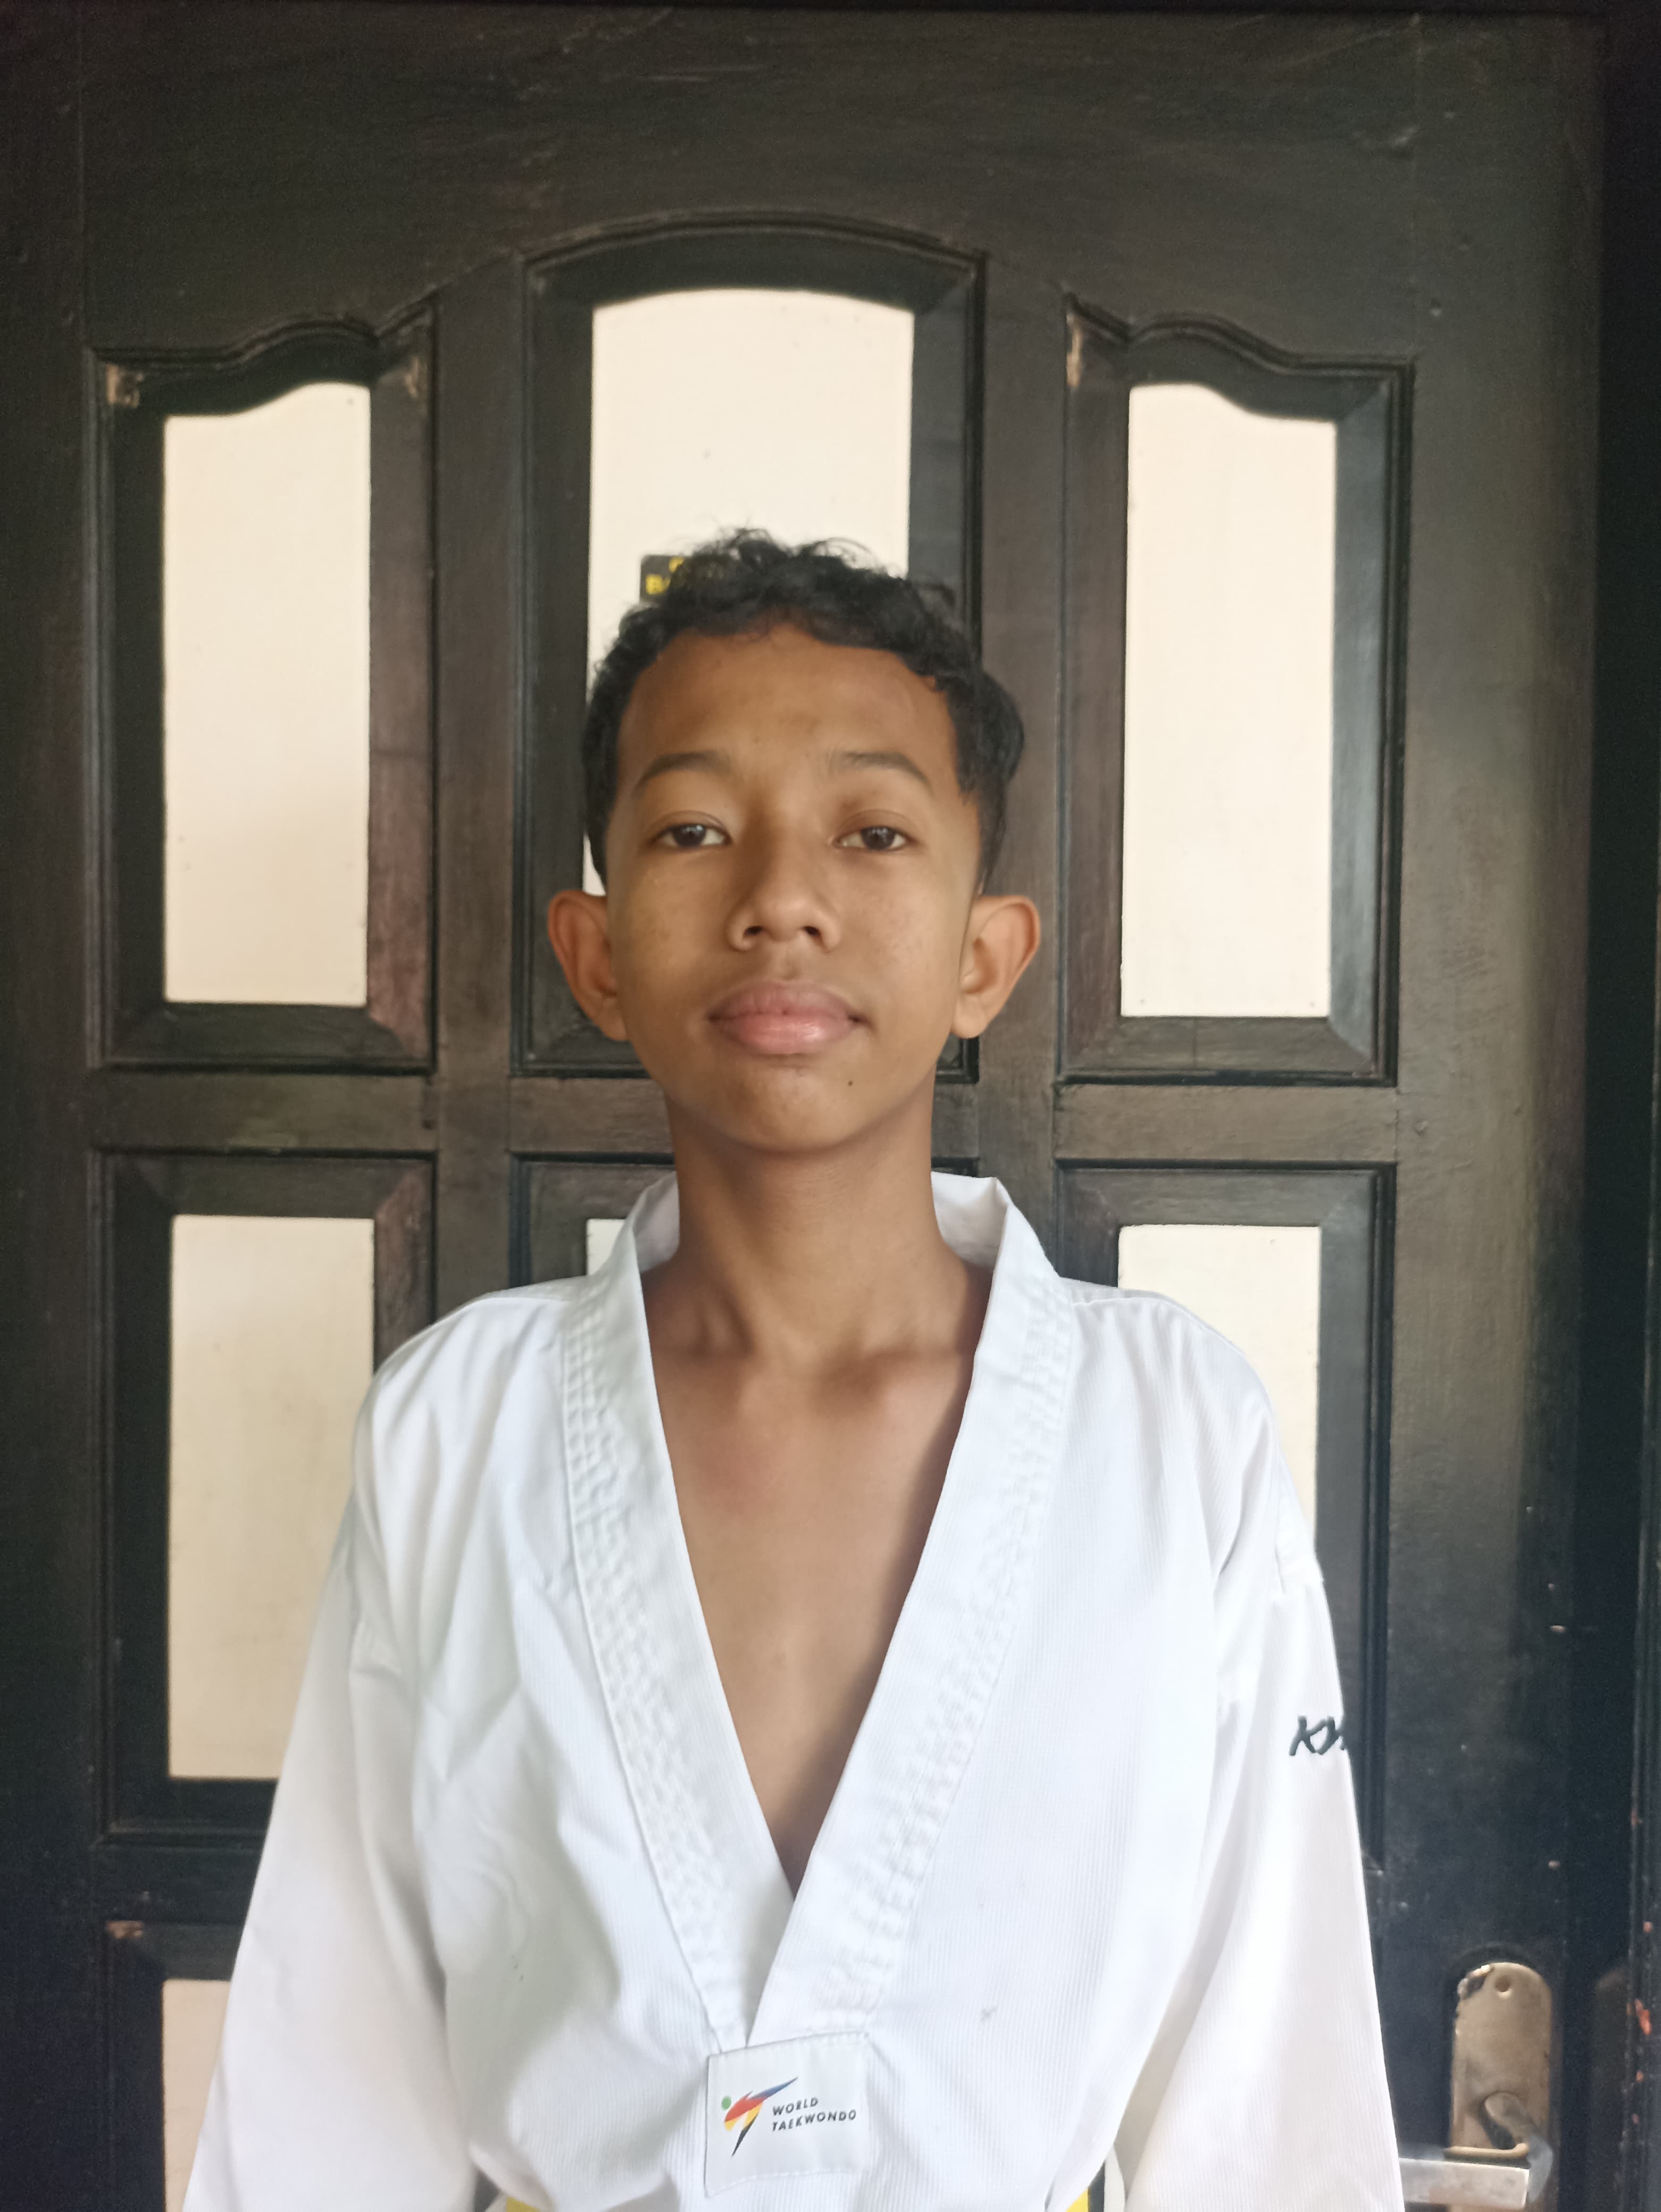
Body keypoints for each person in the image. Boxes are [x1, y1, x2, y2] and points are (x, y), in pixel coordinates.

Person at [187, 534, 1401, 2211]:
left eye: (872, 832)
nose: (778, 897)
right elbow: (337, 2082)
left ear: (983, 956)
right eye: (693, 830)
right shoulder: (457, 1429)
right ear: (595, 955)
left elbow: (1265, 2096)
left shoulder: (1171, 1432)